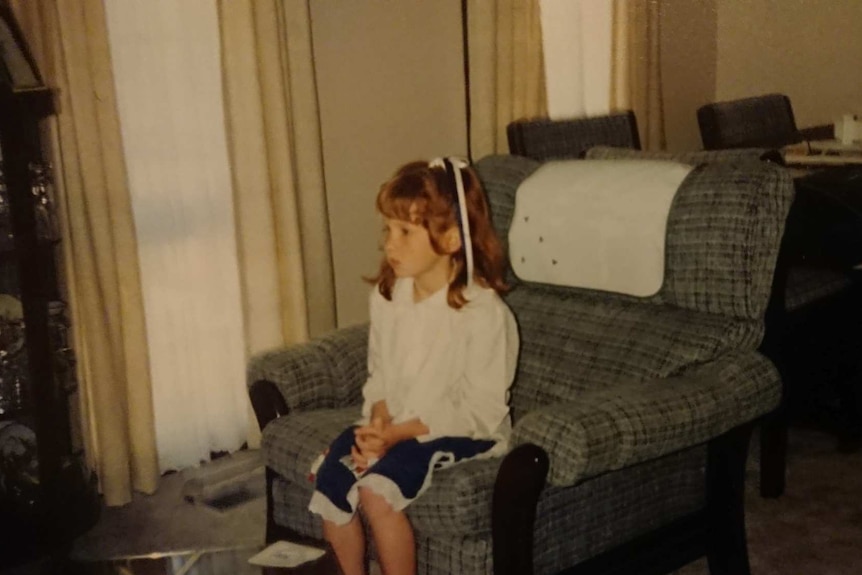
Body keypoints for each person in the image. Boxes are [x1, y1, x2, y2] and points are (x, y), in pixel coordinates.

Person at [307, 158, 519, 575]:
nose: (390, 243)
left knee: (376, 494)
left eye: (405, 231)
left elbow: (481, 410)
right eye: (387, 229)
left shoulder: (483, 314)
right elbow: (380, 375)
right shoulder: (390, 297)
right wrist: (378, 421)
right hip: (396, 426)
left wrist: (396, 435)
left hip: (462, 433)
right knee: (331, 477)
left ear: (452, 238)